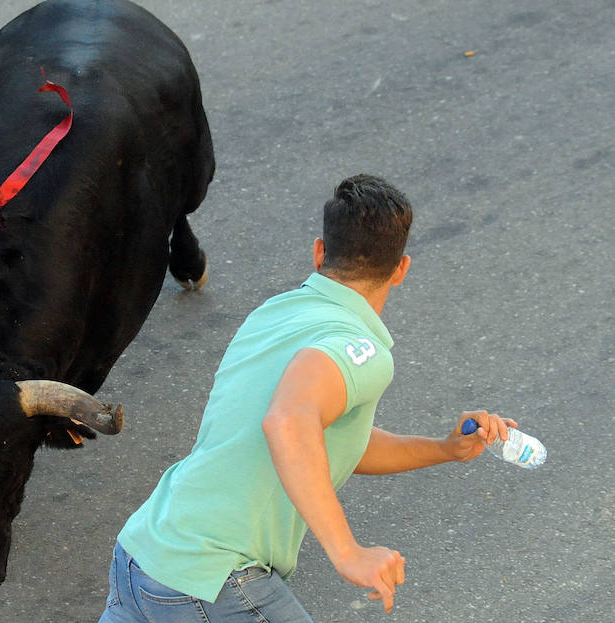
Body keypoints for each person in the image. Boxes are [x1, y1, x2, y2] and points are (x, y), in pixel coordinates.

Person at [97, 174, 516, 622]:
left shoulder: (276, 312)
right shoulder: (362, 348)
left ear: (319, 252)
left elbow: (325, 438)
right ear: (401, 268)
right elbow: (289, 422)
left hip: (143, 555)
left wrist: (445, 450)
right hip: (213, 575)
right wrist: (347, 552)